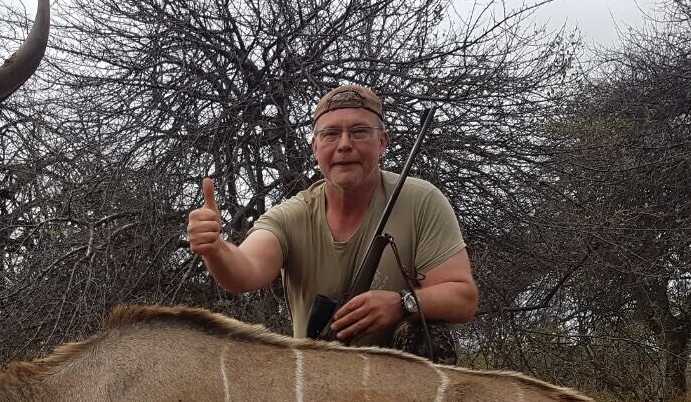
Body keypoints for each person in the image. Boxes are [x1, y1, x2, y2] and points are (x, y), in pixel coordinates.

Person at [186, 85, 477, 350]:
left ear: (382, 141)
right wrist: (216, 249)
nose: (345, 144)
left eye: (360, 132)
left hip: (401, 390)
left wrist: (403, 304)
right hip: (319, 383)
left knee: (431, 340)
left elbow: (462, 297)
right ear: (315, 147)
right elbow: (245, 271)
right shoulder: (292, 214)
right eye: (331, 133)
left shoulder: (422, 201)